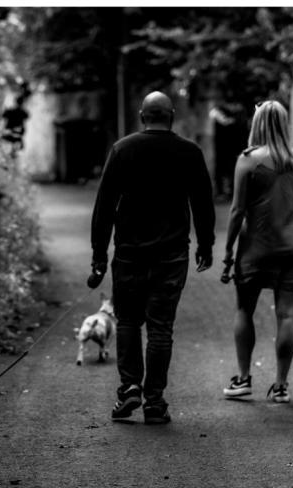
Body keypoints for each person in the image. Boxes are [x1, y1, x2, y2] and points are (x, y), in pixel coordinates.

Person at [89, 91, 215, 424]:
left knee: (129, 320)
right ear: (171, 116)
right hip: (171, 255)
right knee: (161, 327)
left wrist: (99, 255)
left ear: (143, 117)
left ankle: (130, 386)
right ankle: (155, 402)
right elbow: (203, 202)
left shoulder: (122, 150)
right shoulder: (189, 152)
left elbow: (104, 207)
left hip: (129, 254)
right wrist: (206, 244)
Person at [222, 100, 293, 404]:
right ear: (284, 123)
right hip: (292, 249)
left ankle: (244, 379)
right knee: (286, 314)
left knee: (244, 310)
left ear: (257, 123)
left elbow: (237, 211)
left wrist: (227, 253)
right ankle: (281, 385)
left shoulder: (248, 161)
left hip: (256, 248)